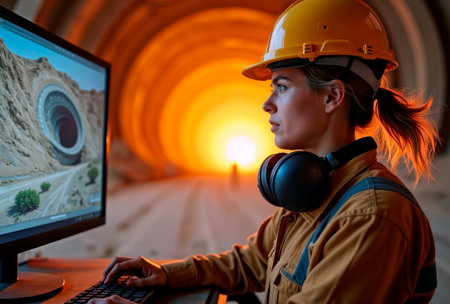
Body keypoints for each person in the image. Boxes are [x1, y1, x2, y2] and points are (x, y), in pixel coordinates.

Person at [89, 0, 439, 303]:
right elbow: (251, 263)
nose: (267, 104)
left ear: (332, 97)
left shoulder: (370, 217)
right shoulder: (315, 186)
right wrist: (167, 274)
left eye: (281, 87)